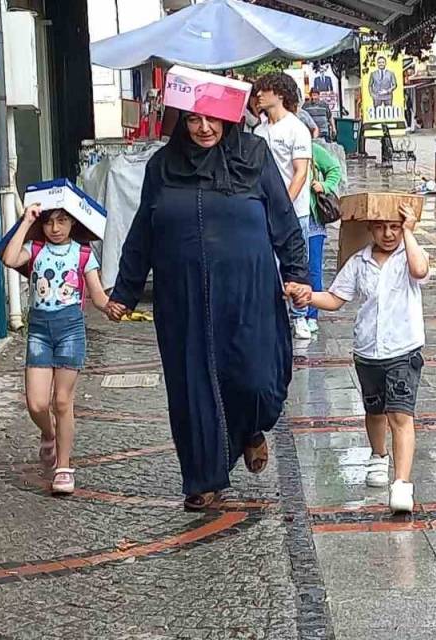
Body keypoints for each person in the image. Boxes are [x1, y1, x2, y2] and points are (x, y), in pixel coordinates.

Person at [106, 109, 309, 512]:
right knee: (190, 388)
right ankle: (202, 477)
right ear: (180, 122)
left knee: (255, 380)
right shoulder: (163, 165)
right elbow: (143, 230)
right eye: (193, 120)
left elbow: (284, 219)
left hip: (248, 292)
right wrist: (125, 290)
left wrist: (297, 273)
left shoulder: (254, 154)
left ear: (229, 119)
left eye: (212, 119)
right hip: (181, 298)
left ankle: (251, 427)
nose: (204, 128)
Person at [300, 203, 429, 513]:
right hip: (368, 352)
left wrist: (410, 231)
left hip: (403, 350)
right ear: (370, 229)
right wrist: (306, 295)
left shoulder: (409, 254)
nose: (388, 234)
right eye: (381, 227)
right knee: (375, 410)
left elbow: (420, 271)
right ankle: (378, 455)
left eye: (394, 227)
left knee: (400, 415)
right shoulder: (359, 262)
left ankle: (401, 483)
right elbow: (334, 298)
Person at [0, 203, 108, 495]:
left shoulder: (83, 254)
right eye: (49, 222)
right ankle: (48, 434)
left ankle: (63, 466)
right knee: (36, 403)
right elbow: (10, 258)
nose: (56, 228)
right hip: (39, 330)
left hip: (70, 329)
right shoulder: (34, 249)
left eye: (62, 221)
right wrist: (26, 221)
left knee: (62, 401)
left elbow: (97, 295)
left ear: (73, 223)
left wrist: (115, 307)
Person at [253, 73, 314, 341]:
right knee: (268, 265)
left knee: (295, 263)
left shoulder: (296, 128)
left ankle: (300, 317)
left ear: (279, 94)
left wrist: (284, 206)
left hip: (293, 211)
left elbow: (300, 172)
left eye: (264, 91)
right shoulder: (258, 132)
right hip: (262, 211)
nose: (258, 96)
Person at [305, 141, 343, 335]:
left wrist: (325, 186)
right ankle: (295, 315)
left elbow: (335, 168)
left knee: (313, 269)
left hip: (313, 220)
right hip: (287, 217)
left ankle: (311, 316)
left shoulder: (311, 149)